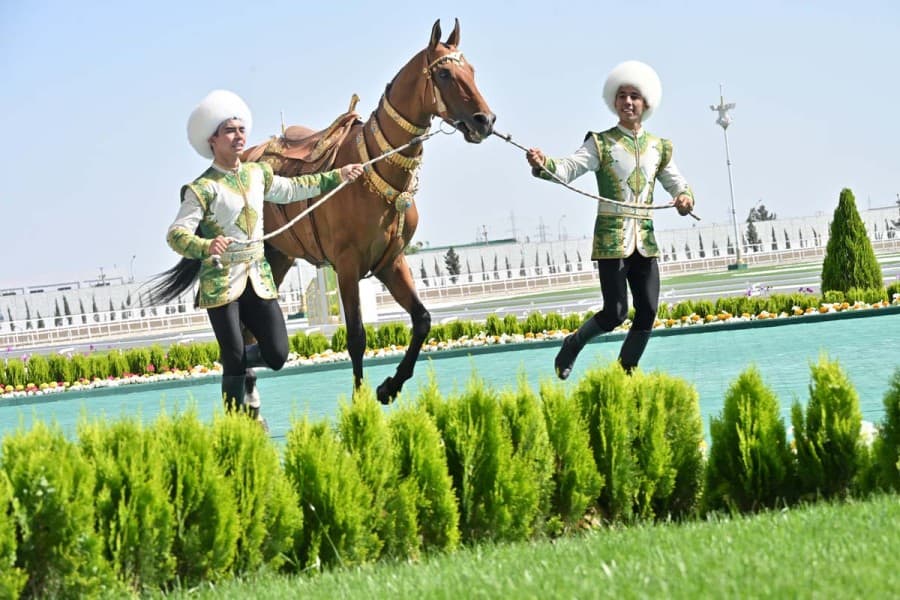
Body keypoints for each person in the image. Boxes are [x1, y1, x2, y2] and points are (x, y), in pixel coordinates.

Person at [168, 89, 364, 422]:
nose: (238, 135)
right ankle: (236, 425)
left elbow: (294, 189)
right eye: (229, 130)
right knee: (232, 358)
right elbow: (176, 234)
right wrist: (205, 246)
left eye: (241, 129)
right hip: (221, 283)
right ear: (212, 140)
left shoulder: (258, 174)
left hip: (258, 279)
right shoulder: (202, 189)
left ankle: (233, 361)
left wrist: (338, 176)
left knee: (277, 354)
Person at [525, 60, 695, 380]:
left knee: (648, 311)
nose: (628, 102)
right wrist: (542, 163)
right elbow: (568, 169)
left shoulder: (660, 147)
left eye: (634, 96)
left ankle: (624, 373)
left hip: (644, 241)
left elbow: (678, 184)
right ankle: (573, 344)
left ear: (646, 104)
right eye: (622, 96)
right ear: (613, 102)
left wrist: (685, 199)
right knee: (615, 313)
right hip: (611, 241)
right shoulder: (600, 143)